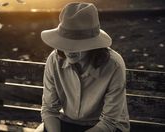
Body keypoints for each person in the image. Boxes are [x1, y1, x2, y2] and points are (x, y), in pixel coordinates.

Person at [35, 2, 130, 132]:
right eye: (66, 42)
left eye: (77, 43)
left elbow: (109, 122)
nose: (69, 49)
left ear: (92, 44)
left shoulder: (114, 65)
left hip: (105, 128)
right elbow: (49, 110)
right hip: (67, 122)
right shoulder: (54, 60)